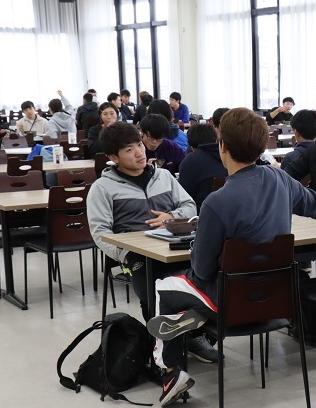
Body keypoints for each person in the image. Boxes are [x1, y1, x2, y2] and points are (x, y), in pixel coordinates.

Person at [145, 107, 316, 407]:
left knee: (163, 285)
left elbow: (202, 268)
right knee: (199, 287)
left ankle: (169, 370)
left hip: (227, 304)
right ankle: (188, 319)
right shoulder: (280, 180)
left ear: (222, 146)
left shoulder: (216, 203)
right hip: (277, 301)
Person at [84, 122, 220, 365]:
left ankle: (194, 334)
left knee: (209, 276)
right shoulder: (102, 188)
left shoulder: (164, 176)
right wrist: (124, 254)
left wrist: (171, 217)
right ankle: (168, 354)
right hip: (136, 256)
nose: (139, 152)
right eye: (129, 150)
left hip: (175, 246)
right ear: (113, 157)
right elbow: (100, 233)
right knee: (154, 290)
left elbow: (190, 206)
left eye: (139, 144)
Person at [178, 123, 228, 206]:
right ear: (216, 139)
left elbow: (184, 196)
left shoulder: (191, 161)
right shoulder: (229, 155)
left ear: (192, 147)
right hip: (232, 210)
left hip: (201, 212)